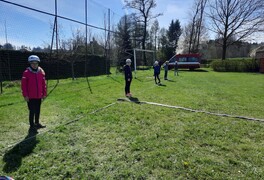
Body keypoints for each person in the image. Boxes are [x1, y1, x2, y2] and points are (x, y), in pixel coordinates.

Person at [21, 55, 47, 130]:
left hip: (38, 96)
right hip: (30, 96)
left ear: (38, 63)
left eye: (36, 63)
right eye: (32, 63)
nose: (34, 65)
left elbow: (43, 84)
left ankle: (37, 123)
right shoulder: (26, 73)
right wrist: (25, 95)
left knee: (38, 110)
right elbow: (23, 86)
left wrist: (44, 93)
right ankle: (32, 125)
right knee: (32, 111)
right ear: (30, 63)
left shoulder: (41, 72)